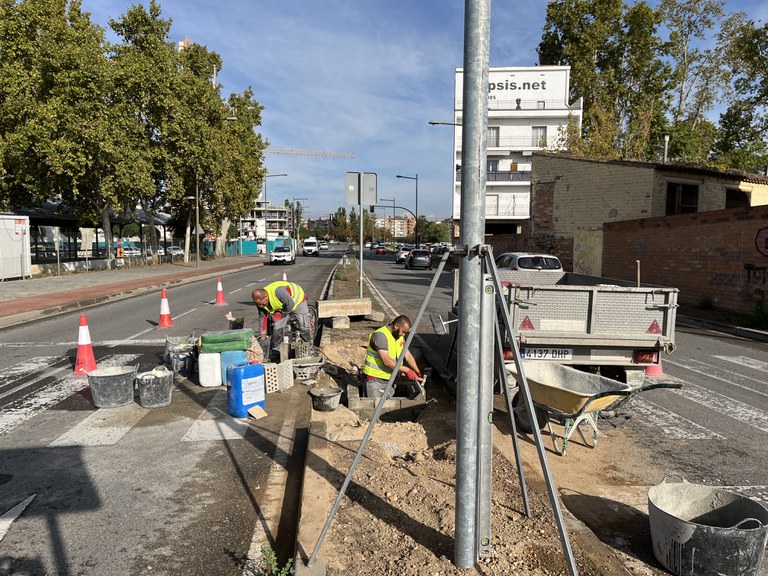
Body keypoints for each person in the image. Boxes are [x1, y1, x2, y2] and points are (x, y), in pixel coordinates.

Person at [363, 315, 424, 398]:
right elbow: (387, 361)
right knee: (375, 406)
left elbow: (408, 355)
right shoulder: (380, 336)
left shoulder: (399, 337)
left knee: (387, 404)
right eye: (403, 332)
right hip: (375, 379)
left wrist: (418, 372)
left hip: (389, 378)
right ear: (396, 326)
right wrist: (407, 370)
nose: (404, 335)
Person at [251, 281, 311, 362]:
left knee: (303, 325)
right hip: (282, 306)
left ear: (265, 297)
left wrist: (281, 314)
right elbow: (262, 317)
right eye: (259, 305)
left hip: (297, 301)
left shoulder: (278, 292)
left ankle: (308, 348)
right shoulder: (260, 303)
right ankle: (276, 352)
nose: (261, 306)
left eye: (262, 304)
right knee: (277, 327)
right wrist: (263, 332)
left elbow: (290, 305)